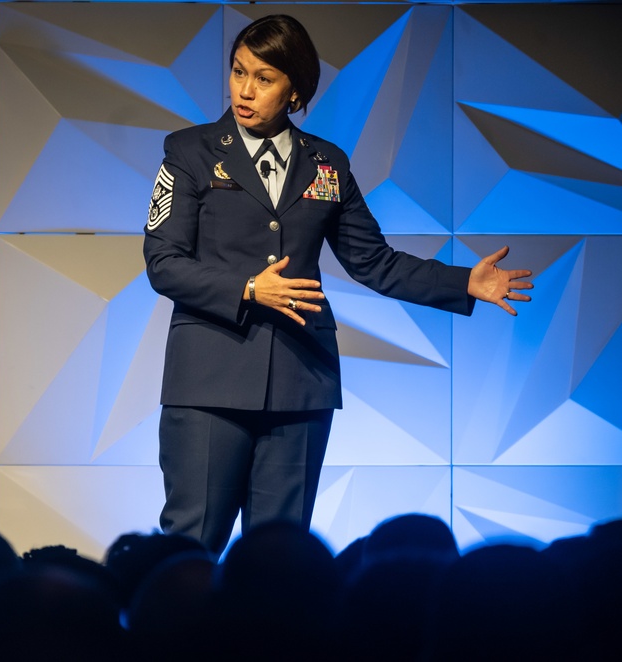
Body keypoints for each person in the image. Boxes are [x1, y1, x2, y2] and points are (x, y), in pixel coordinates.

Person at [142, 14, 533, 556]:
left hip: (301, 381)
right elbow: (163, 261)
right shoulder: (189, 152)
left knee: (279, 558)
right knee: (190, 546)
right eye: (238, 72)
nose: (244, 90)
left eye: (264, 78)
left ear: (296, 91)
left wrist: (464, 281)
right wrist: (249, 288)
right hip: (209, 381)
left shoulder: (327, 163)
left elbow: (373, 261)